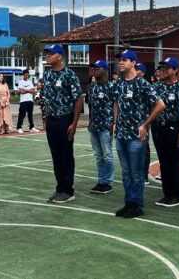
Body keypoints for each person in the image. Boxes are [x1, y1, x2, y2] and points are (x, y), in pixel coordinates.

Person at [112, 49, 166, 218]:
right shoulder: (119, 84)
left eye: (124, 59)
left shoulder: (142, 84)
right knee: (126, 172)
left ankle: (137, 205)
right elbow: (116, 103)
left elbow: (160, 105)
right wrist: (115, 121)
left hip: (136, 136)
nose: (121, 62)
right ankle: (129, 202)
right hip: (121, 134)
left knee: (136, 173)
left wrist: (145, 124)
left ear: (133, 62)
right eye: (119, 60)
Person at [42, 45, 83, 204]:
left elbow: (78, 98)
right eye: (47, 54)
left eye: (51, 54)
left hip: (65, 119)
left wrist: (74, 123)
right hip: (52, 120)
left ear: (59, 56)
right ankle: (60, 188)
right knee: (56, 155)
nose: (47, 56)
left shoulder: (69, 75)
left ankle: (68, 190)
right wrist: (46, 118)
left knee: (66, 155)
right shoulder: (47, 74)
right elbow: (46, 98)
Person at [152, 57, 179, 207]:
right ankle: (167, 194)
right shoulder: (156, 87)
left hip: (175, 127)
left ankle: (176, 194)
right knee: (164, 161)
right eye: (161, 69)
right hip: (159, 127)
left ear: (175, 70)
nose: (162, 71)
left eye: (166, 69)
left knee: (174, 161)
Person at [87, 59, 115, 195]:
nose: (94, 70)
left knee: (107, 155)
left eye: (97, 68)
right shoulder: (92, 87)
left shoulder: (111, 87)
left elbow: (116, 106)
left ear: (104, 70)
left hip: (106, 126)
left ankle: (108, 182)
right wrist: (90, 121)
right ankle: (101, 180)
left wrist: (113, 123)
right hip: (94, 126)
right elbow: (91, 106)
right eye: (94, 68)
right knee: (98, 155)